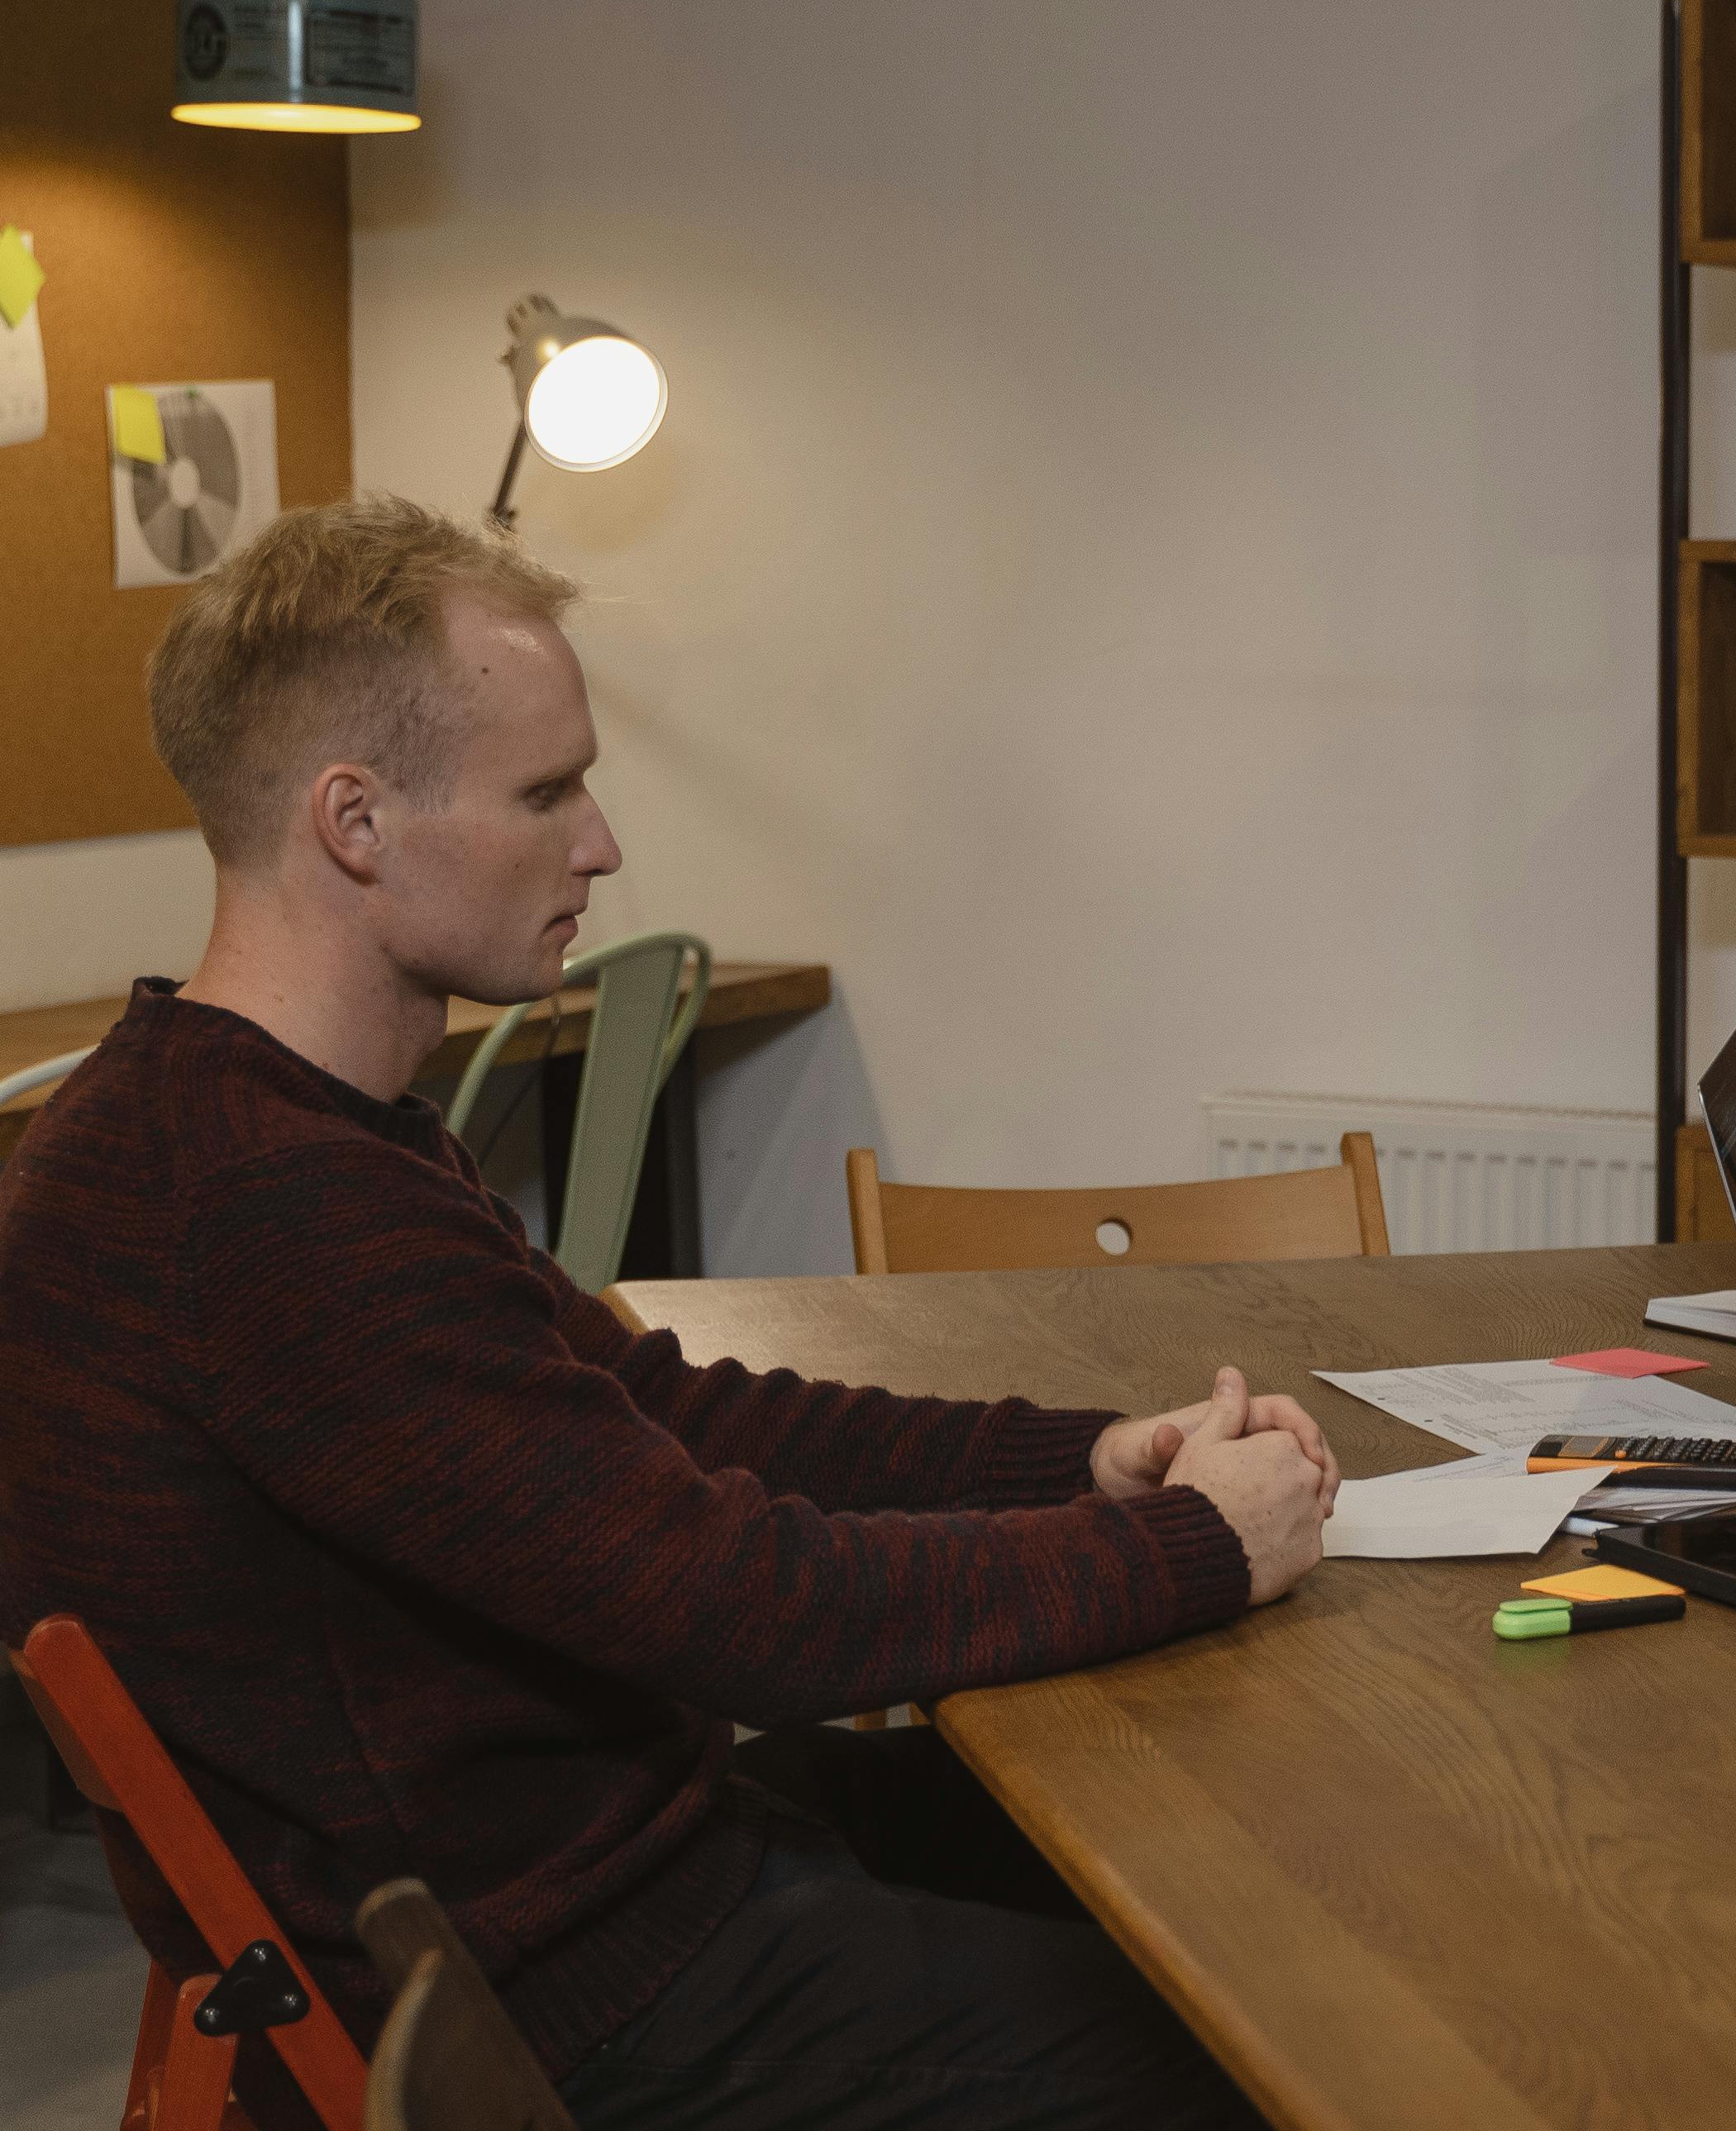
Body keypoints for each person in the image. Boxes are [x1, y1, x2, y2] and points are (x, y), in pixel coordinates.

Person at [0, 493, 1341, 2129]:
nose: (602, 842)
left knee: (1207, 1861)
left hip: (607, 1877)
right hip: (557, 1998)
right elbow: (742, 1609)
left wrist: (1093, 1462)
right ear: (357, 821)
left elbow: (676, 1417)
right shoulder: (264, 1206)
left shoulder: (262, 1128)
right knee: (1275, 2050)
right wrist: (1198, 1546)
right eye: (545, 789)